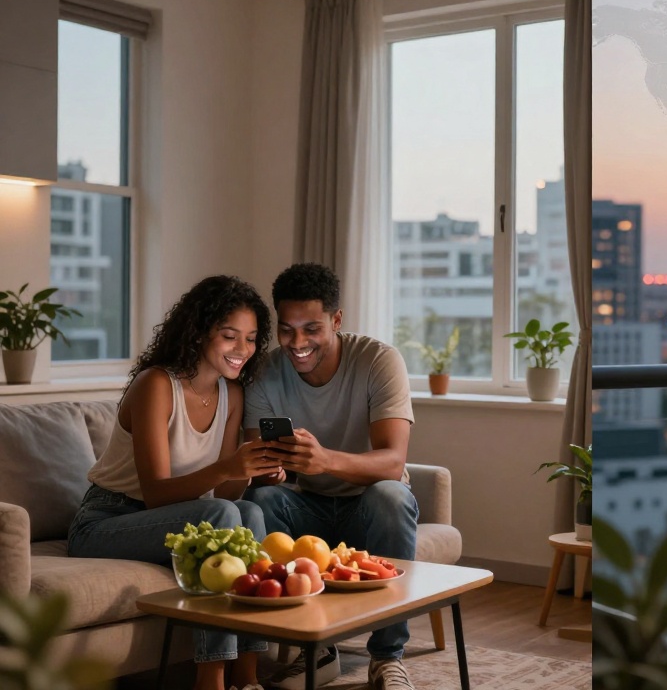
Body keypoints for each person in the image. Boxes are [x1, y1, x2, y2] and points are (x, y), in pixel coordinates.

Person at [68, 276, 279, 690]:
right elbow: (156, 493)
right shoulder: (156, 385)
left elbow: (225, 494)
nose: (243, 349)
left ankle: (248, 676)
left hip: (178, 518)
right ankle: (211, 678)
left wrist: (250, 470)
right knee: (219, 516)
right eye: (229, 336)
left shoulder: (231, 394)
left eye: (252, 339)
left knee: (250, 509)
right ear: (199, 333)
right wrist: (226, 469)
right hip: (106, 520)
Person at [243, 262, 418, 690]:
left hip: (368, 506)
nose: (297, 343)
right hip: (308, 505)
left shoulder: (378, 361)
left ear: (336, 320)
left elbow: (392, 462)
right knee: (261, 503)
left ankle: (387, 657)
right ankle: (316, 646)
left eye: (311, 328)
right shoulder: (265, 374)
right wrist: (273, 471)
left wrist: (325, 461)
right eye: (287, 330)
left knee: (391, 496)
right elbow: (261, 474)